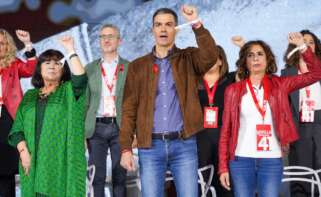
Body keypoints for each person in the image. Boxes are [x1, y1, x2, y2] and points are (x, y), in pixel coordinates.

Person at [119, 5, 218, 197]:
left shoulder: (188, 58)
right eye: (158, 25)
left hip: (184, 143)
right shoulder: (138, 66)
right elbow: (129, 108)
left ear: (176, 29)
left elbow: (210, 56)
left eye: (168, 24)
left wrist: (196, 23)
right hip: (150, 146)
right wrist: (125, 147)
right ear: (152, 30)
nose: (163, 29)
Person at [218, 32, 321, 197]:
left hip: (271, 160)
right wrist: (223, 167)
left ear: (268, 60)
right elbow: (226, 131)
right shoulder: (233, 90)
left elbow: (316, 74)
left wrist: (303, 46)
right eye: (250, 55)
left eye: (260, 54)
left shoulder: (280, 85)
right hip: (241, 160)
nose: (255, 58)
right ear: (245, 61)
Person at [8, 36, 87, 197]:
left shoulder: (69, 91)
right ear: (39, 69)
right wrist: (23, 152)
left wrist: (70, 49)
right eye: (47, 62)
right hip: (32, 162)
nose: (52, 66)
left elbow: (80, 79)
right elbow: (17, 130)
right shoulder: (30, 96)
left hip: (60, 163)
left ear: (63, 69)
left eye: (57, 63)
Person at [85, 23, 129, 197]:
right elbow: (85, 102)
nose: (106, 40)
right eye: (103, 36)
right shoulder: (90, 68)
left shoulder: (129, 67)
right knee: (97, 176)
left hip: (120, 126)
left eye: (111, 36)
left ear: (119, 41)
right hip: (96, 127)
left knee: (120, 175)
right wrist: (82, 132)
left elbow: (135, 101)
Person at [281, 30, 321, 197]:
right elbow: (284, 107)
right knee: (301, 178)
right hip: (299, 128)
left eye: (310, 42)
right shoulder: (287, 74)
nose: (305, 44)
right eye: (302, 41)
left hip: (320, 123)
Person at [0, 29, 36, 197]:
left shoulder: (13, 64)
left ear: (8, 46)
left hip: (8, 117)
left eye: (2, 44)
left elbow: (30, 69)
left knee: (7, 168)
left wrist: (28, 44)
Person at [197, 45, 234, 197]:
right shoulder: (194, 83)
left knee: (224, 181)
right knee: (202, 182)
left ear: (221, 61)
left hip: (224, 135)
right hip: (200, 137)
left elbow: (252, 69)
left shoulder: (231, 80)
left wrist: (242, 45)